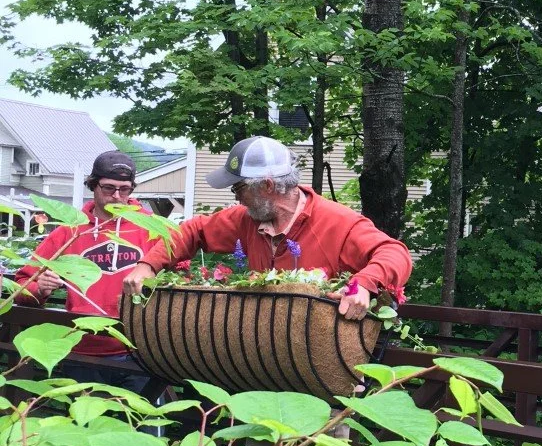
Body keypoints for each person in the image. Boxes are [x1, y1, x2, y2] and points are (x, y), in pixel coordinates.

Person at [122, 136, 411, 316]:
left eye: (238, 188)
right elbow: (193, 230)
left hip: (320, 364)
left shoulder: (337, 222)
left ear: (268, 186)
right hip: (264, 357)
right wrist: (148, 265)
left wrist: (364, 285)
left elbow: (394, 253)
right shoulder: (247, 219)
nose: (236, 197)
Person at [14, 150, 157, 391]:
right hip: (83, 351)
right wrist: (40, 289)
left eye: (125, 189)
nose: (117, 196)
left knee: (140, 415)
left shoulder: (150, 228)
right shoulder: (69, 232)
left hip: (139, 351)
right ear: (93, 185)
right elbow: (21, 286)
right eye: (108, 188)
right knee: (85, 415)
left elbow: (179, 274)